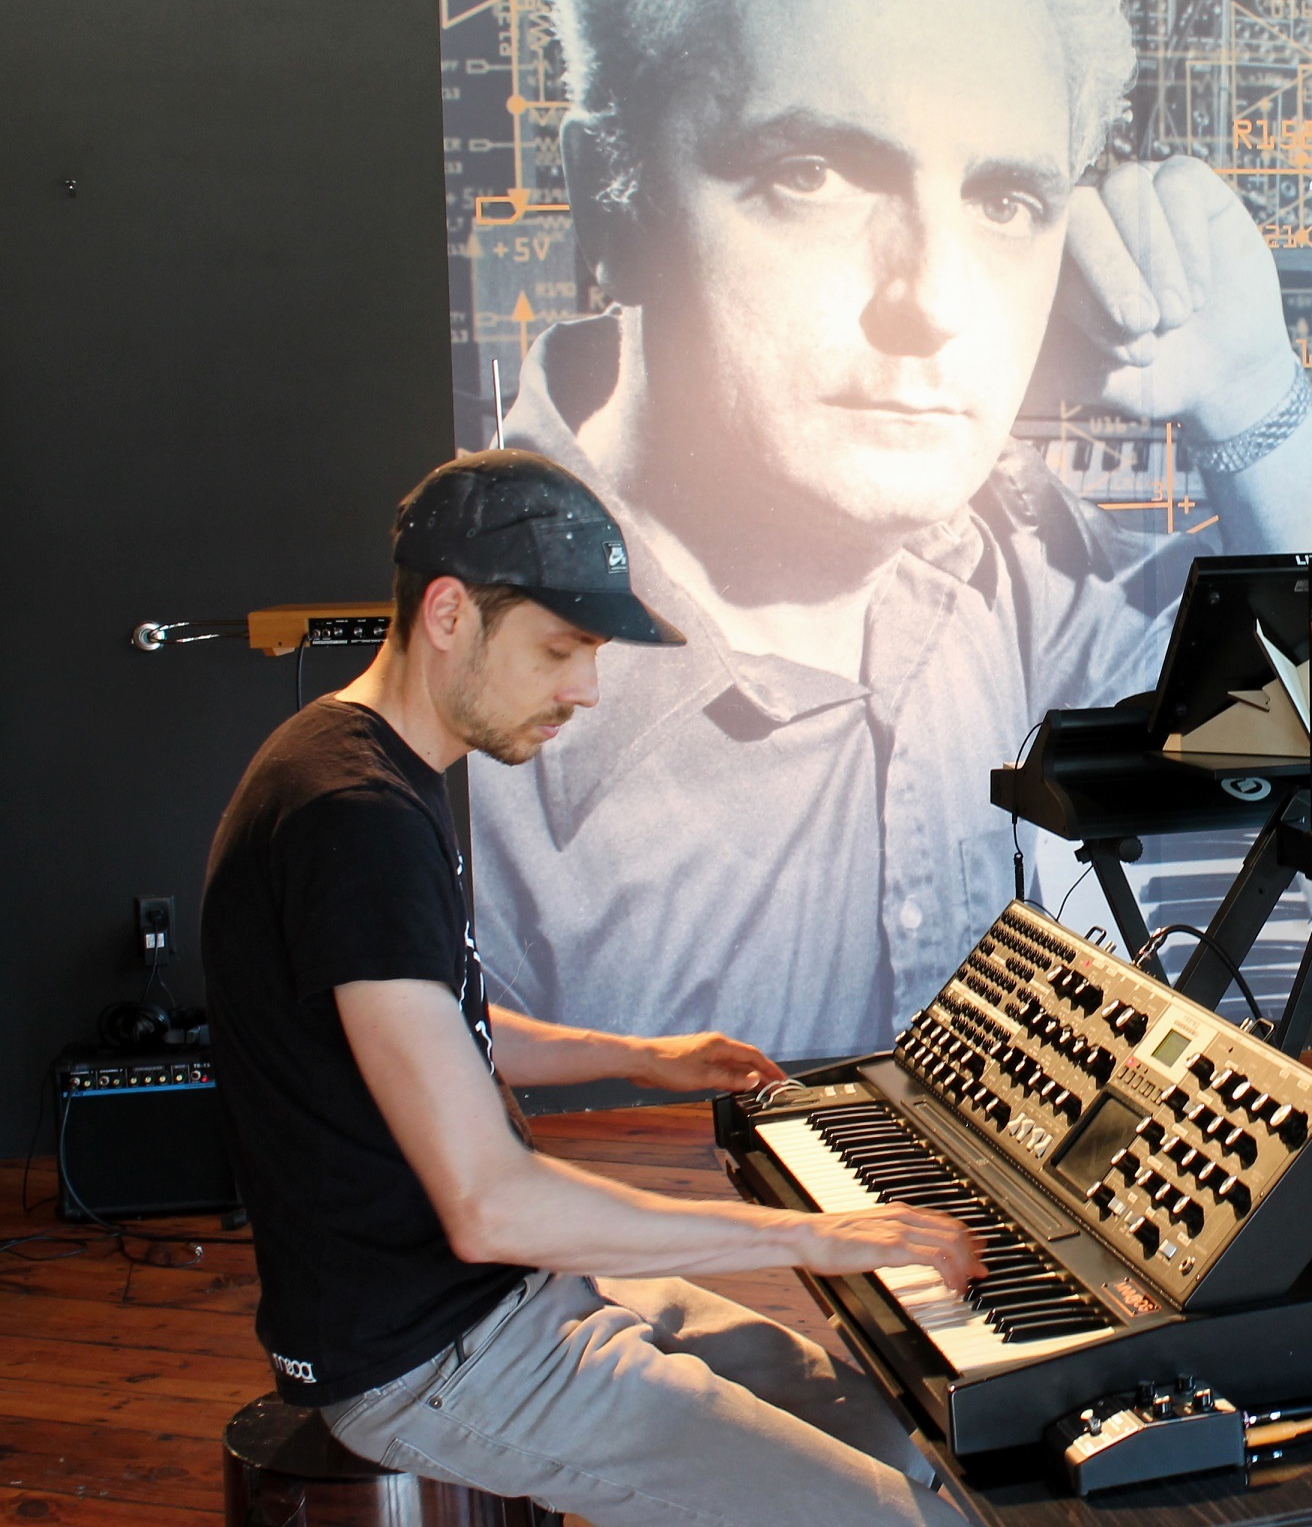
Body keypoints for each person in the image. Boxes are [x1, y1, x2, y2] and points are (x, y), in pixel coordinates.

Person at [470, 0, 1312, 1057]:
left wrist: (1250, 394)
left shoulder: (1005, 563)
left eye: (1006, 199)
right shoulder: (461, 723)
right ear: (611, 200)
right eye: (807, 173)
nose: (935, 303)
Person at [201, 452, 977, 1526]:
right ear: (448, 614)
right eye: (560, 650)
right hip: (430, 1357)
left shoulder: (354, 760)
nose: (586, 689)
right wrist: (816, 1238)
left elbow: (435, 1025)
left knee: (894, 1431)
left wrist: (639, 1058)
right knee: (899, 1518)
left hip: (510, 1296)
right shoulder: (352, 818)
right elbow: (492, 1206)